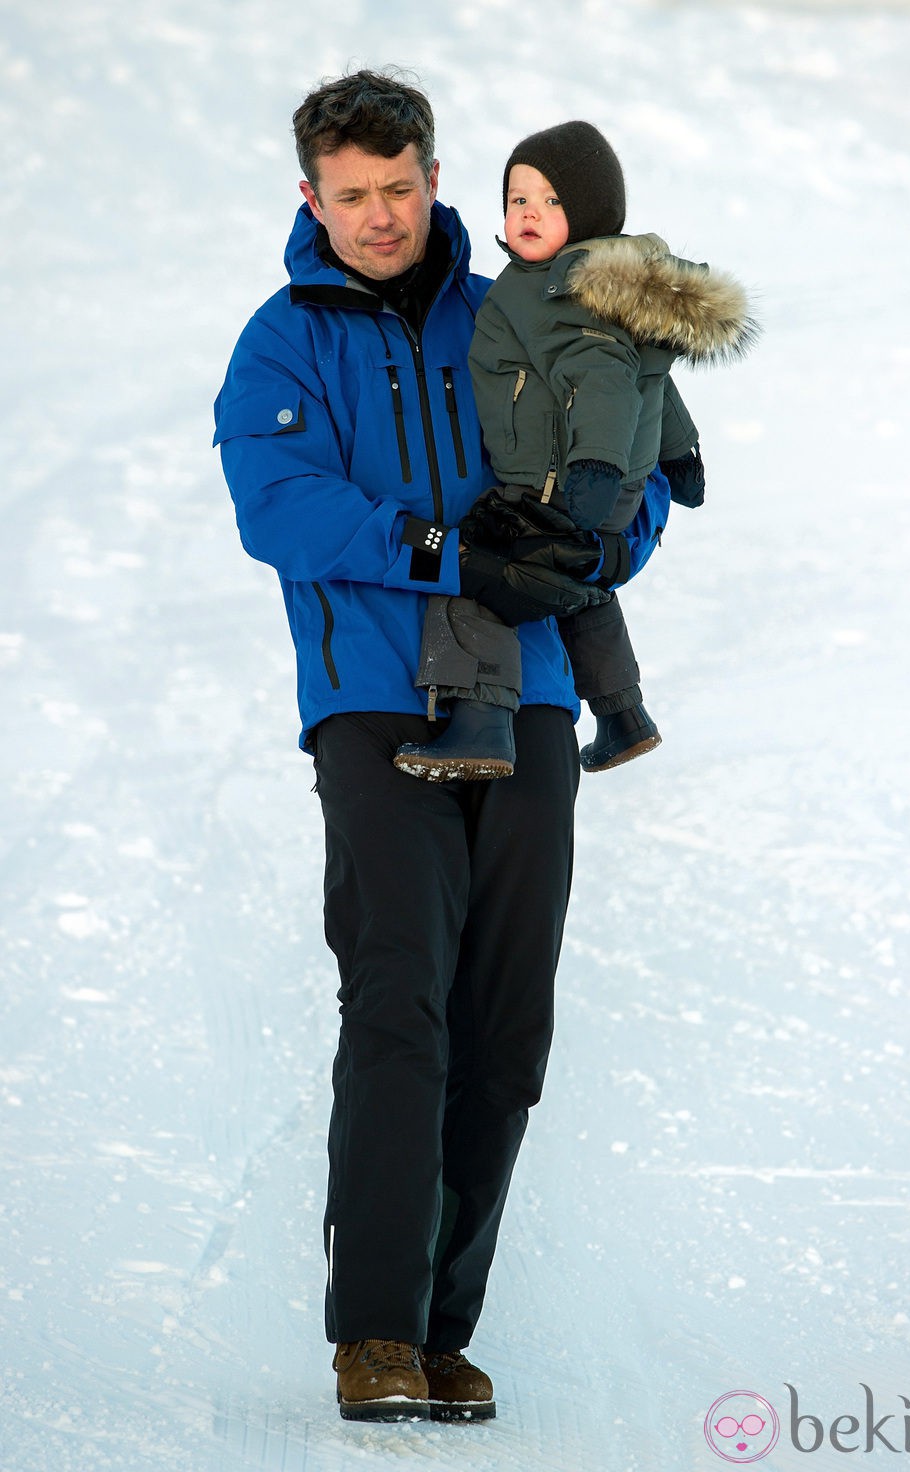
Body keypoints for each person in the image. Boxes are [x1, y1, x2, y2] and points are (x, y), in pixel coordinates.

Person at [213, 71, 665, 1423]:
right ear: (311, 198)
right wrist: (441, 545)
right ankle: (375, 1335)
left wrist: (594, 539)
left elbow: (621, 460)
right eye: (350, 196)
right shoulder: (281, 343)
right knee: (401, 996)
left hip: (523, 694)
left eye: (399, 187)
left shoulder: (514, 307)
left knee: (505, 1017)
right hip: (371, 699)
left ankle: (444, 1329)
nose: (379, 215)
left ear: (432, 175)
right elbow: (281, 505)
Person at [393, 121, 757, 783]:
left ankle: (481, 727)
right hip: (601, 481)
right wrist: (681, 455)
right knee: (581, 585)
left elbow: (605, 382)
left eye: (552, 202)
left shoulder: (559, 291)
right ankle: (623, 715)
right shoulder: (608, 285)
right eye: (517, 198)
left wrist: (595, 467)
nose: (529, 213)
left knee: (477, 577)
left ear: (588, 213)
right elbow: (652, 380)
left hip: (560, 479)